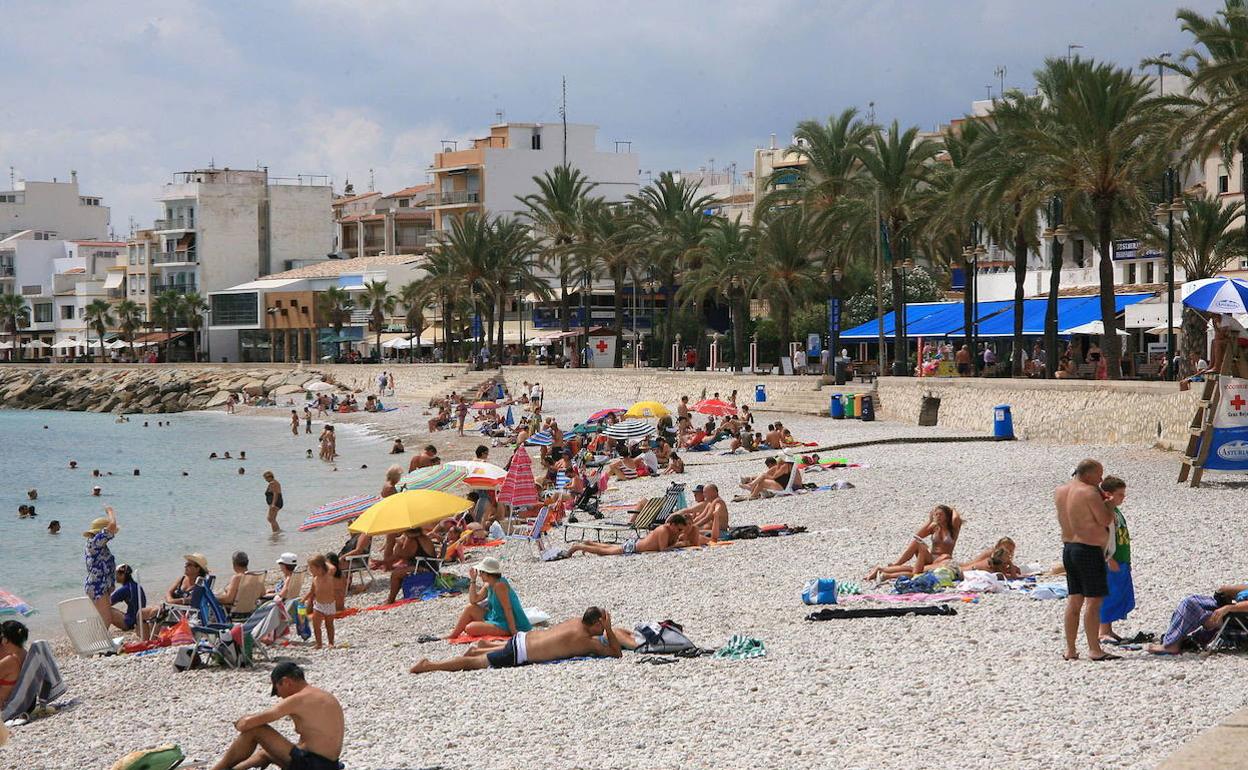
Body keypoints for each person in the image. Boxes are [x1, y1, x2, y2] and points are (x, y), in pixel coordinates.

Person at [210, 661, 344, 770]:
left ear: (286, 682)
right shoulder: (322, 695)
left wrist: (239, 722)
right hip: (329, 764)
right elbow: (310, 743)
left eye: (277, 690)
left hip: (313, 764)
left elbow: (248, 724)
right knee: (265, 753)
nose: (279, 695)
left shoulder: (298, 699)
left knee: (257, 730)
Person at [411, 606, 622, 674]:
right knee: (470, 665)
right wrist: (610, 630)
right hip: (519, 653)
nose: (603, 629)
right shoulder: (584, 640)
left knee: (478, 656)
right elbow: (616, 653)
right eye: (601, 625)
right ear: (595, 624)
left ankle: (479, 648)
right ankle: (429, 666)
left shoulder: (576, 622)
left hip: (521, 638)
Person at [1056, 458, 1118, 661]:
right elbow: (1104, 520)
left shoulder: (1061, 491)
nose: (1101, 479)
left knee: (1074, 600)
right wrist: (1109, 506)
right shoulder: (1089, 492)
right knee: (1094, 601)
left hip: (1069, 549)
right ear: (1089, 474)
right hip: (1088, 551)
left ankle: (1070, 649)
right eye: (1099, 475)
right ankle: (1094, 649)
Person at [866, 505, 962, 581]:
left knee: (913, 570)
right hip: (930, 558)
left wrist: (952, 509)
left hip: (942, 560)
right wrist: (929, 521)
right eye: (936, 514)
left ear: (947, 516)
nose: (938, 516)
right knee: (917, 543)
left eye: (940, 514)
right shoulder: (934, 527)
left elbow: (956, 518)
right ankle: (896, 564)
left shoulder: (953, 529)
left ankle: (882, 570)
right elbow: (918, 535)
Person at [1146, 584, 1248, 655]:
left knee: (1191, 605)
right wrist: (1227, 589)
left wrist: (1229, 608)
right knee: (1192, 600)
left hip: (1238, 617)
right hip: (1235, 608)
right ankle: (1173, 639)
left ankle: (1171, 645)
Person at [446, 557, 531, 639]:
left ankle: (506, 631)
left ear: (488, 573)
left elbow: (508, 609)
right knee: (470, 608)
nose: (479, 575)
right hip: (495, 617)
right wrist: (473, 580)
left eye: (481, 572)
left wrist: (513, 631)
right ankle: (453, 635)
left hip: (507, 623)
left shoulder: (499, 585)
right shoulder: (489, 584)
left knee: (469, 628)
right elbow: (473, 600)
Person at [1098, 476, 1135, 645]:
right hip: (1112, 558)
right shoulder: (1106, 512)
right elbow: (1102, 537)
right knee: (1109, 593)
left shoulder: (1116, 511)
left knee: (1119, 592)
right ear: (1108, 494)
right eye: (1120, 494)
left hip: (1122, 557)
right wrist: (1108, 558)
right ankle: (1102, 630)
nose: (1123, 498)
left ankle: (1109, 628)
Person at [565, 514, 703, 557]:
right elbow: (662, 549)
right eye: (678, 529)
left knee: (610, 547)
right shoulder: (663, 530)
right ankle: (577, 547)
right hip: (634, 548)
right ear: (672, 525)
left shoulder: (671, 531)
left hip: (635, 545)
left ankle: (590, 543)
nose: (679, 532)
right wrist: (678, 544)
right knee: (605, 552)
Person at [83, 507, 119, 625]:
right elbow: (112, 526)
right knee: (106, 619)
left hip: (100, 585)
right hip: (97, 586)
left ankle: (98, 640)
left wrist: (111, 585)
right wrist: (110, 512)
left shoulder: (97, 545)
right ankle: (98, 642)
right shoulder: (95, 543)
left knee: (103, 618)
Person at [384, 528, 440, 604]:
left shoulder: (412, 540)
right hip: (430, 567)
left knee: (396, 574)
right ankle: (391, 599)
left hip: (426, 569)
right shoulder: (422, 537)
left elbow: (399, 556)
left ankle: (390, 600)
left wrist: (392, 541)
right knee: (399, 570)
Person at [303, 555, 337, 650]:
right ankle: (319, 643)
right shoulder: (315, 579)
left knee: (329, 625)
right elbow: (311, 592)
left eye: (311, 568)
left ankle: (331, 642)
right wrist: (303, 600)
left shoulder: (328, 575)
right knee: (316, 625)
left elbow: (333, 567)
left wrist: (324, 561)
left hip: (329, 605)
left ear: (320, 567)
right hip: (318, 605)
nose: (310, 570)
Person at [106, 564, 148, 633]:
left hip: (131, 622)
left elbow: (107, 603)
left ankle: (103, 630)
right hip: (139, 619)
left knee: (106, 610)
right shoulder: (136, 585)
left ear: (122, 575)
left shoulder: (125, 589)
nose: (115, 577)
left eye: (116, 574)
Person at [0, 620, 29, 707]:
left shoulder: (10, 661)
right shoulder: (24, 653)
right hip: (22, 701)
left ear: (5, 640)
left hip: (5, 705)